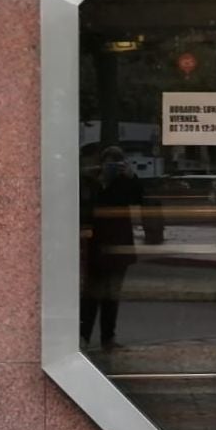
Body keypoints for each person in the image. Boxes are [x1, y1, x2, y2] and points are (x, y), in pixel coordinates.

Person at [81, 145, 143, 347]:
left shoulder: (125, 182)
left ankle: (107, 336)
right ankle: (85, 335)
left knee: (110, 295)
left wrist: (132, 177)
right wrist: (98, 180)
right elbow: (85, 207)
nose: (112, 168)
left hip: (116, 245)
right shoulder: (93, 182)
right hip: (99, 245)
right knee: (93, 294)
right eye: (109, 164)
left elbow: (140, 200)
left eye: (117, 164)